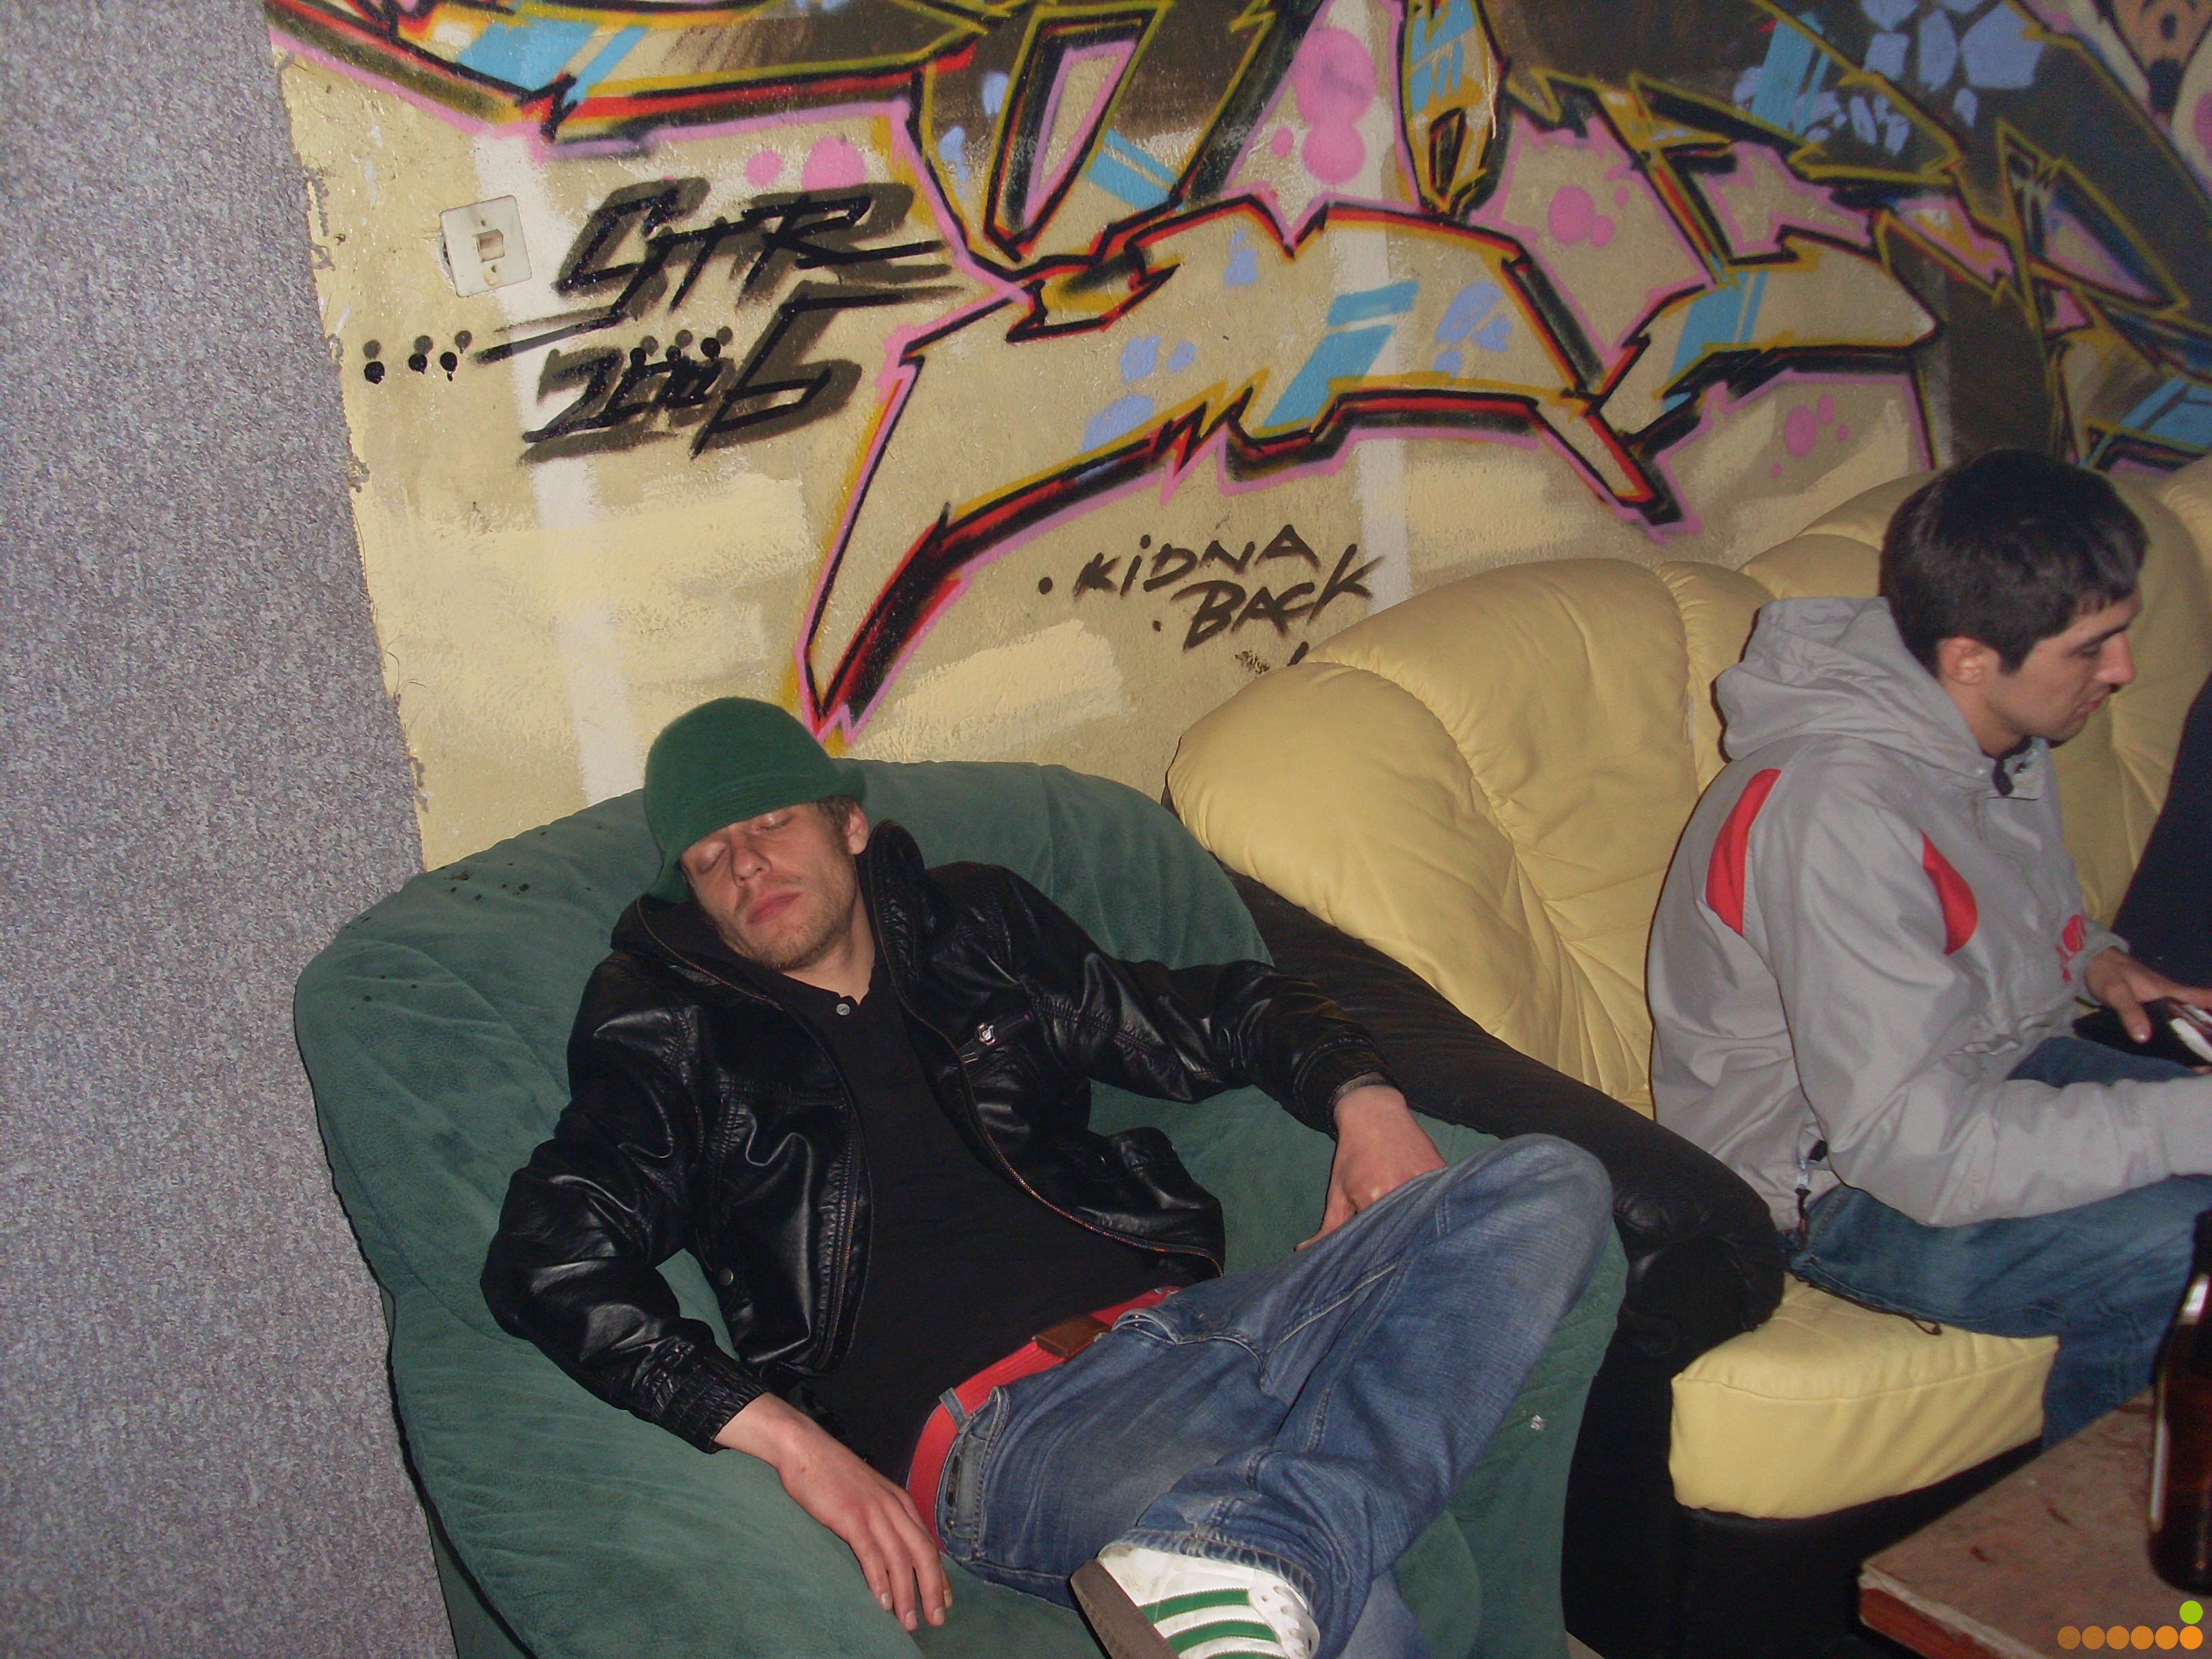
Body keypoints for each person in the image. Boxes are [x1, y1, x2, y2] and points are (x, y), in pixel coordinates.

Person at [483, 697, 1612, 1659]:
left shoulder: (976, 927)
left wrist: (1362, 1099)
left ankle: (1277, 1543)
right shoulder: (665, 1027)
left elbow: (1216, 1011)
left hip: (1202, 1329)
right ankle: (1284, 1553)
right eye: (707, 856)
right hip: (1009, 1433)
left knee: (1549, 1183)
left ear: (850, 823)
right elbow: (550, 1258)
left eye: (772, 821)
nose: (744, 864)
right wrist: (789, 1440)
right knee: (1343, 1618)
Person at [1647, 447, 2212, 1445]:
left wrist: (2091, 956)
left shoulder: (1984, 730)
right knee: (2180, 1251)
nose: (2123, 671)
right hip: (1837, 1183)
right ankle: (2100, 1540)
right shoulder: (1834, 816)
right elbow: (1916, 1149)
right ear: (1969, 657)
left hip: (1983, 1079)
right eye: (2092, 648)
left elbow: (1994, 910)